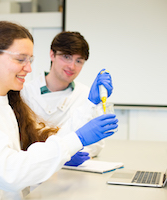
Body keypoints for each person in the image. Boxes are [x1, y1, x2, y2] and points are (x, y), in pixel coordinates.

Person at [0, 21, 118, 200]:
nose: (28, 68)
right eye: (20, 59)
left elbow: (28, 157)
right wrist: (76, 140)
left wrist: (89, 105)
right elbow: (10, 172)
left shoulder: (5, 102)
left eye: (30, 60)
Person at [21, 31, 113, 159]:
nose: (72, 66)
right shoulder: (25, 92)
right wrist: (61, 153)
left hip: (73, 171)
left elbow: (97, 143)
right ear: (52, 54)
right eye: (66, 57)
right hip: (35, 167)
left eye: (79, 61)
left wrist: (72, 152)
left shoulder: (88, 96)